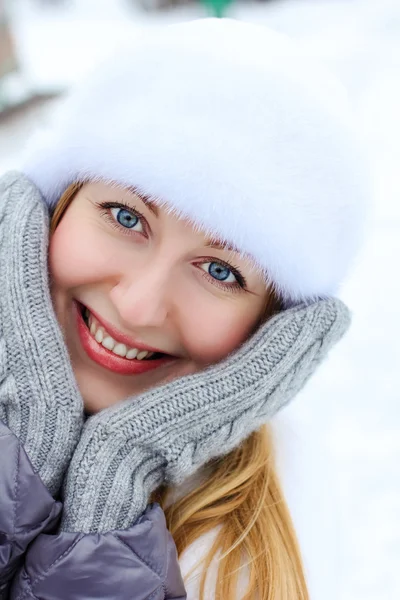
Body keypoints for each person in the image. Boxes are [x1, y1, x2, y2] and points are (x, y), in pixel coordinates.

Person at [0, 18, 367, 600]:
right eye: (125, 217)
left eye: (221, 271)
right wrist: (26, 445)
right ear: (49, 207)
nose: (137, 305)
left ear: (276, 333)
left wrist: (111, 494)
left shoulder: (249, 560)